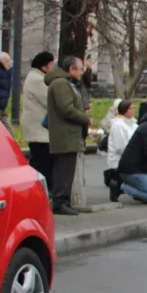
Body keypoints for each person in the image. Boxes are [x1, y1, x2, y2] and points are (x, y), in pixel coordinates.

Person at [44, 56, 91, 216]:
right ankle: (60, 203)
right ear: (71, 69)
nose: (82, 73)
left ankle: (64, 202)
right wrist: (85, 118)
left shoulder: (65, 83)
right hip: (65, 135)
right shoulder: (61, 84)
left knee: (66, 170)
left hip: (68, 134)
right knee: (64, 170)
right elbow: (66, 109)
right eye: (81, 69)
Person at [20, 52, 55, 183]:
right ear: (44, 66)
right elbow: (50, 100)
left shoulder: (36, 76)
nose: (53, 67)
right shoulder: (38, 80)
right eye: (52, 64)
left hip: (39, 130)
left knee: (42, 163)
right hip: (39, 131)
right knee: (42, 165)